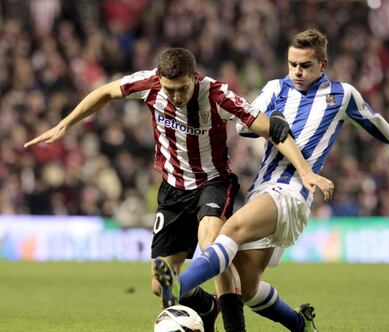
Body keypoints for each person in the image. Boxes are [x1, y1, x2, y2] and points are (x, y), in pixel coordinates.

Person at [24, 47, 332, 332]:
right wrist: (66, 123)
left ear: (194, 78)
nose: (176, 96)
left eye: (182, 88)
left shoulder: (217, 93)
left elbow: (271, 129)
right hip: (172, 192)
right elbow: (106, 91)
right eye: (169, 89)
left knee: (215, 245)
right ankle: (209, 309)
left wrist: (306, 172)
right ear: (159, 80)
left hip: (213, 184)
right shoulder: (148, 84)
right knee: (160, 287)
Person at [154, 29, 389, 332]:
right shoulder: (275, 88)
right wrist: (271, 123)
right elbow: (243, 125)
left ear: (323, 65)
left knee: (231, 230)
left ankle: (178, 286)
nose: (297, 71)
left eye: (305, 65)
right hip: (263, 191)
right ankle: (299, 324)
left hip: (292, 193)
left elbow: (375, 122)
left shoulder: (342, 95)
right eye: (292, 64)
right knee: (247, 286)